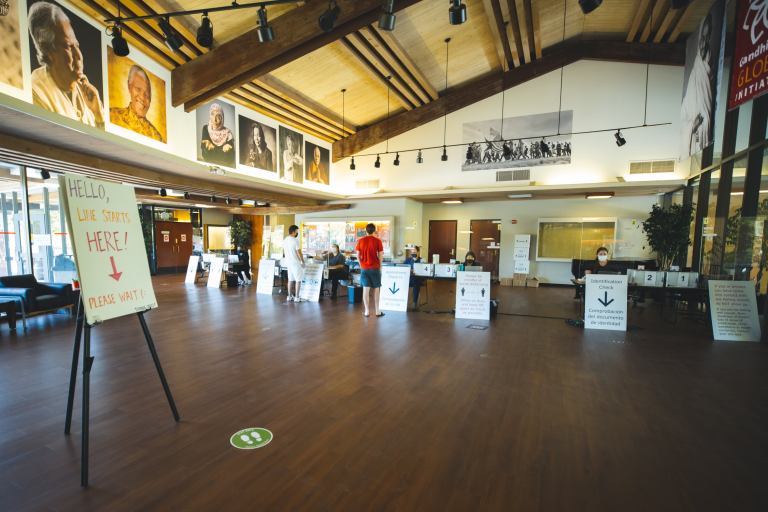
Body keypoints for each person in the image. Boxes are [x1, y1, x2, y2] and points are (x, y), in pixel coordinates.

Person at [28, 1, 105, 128]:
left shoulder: (83, 87)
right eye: (69, 47)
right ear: (47, 50)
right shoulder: (37, 92)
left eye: (77, 45)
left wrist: (98, 114)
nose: (79, 56)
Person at [680, 12, 714, 157]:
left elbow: (707, 100)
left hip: (704, 125)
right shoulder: (696, 70)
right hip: (695, 126)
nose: (703, 43)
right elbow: (685, 111)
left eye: (706, 38)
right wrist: (692, 126)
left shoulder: (708, 70)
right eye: (702, 38)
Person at [110, 65, 164, 142]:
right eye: (138, 89)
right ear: (129, 87)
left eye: (147, 94)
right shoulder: (112, 115)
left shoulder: (155, 137)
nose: (142, 97)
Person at [355, 223, 384, 317]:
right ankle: (377, 311)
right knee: (376, 289)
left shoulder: (360, 241)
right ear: (374, 230)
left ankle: (367, 311)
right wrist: (380, 266)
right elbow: (380, 255)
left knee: (365, 289)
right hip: (375, 268)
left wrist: (361, 265)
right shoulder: (378, 241)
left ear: (366, 230)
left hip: (364, 268)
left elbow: (357, 255)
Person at [283, 225, 305, 302]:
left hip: (288, 263)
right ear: (293, 231)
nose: (297, 233)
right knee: (298, 280)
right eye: (297, 231)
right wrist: (302, 261)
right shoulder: (295, 240)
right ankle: (297, 297)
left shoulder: (285, 240)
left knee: (290, 279)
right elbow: (299, 252)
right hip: (295, 263)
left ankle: (289, 296)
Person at [404, 246, 424, 310]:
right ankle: (401, 302)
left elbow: (424, 271)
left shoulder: (422, 260)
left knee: (416, 281)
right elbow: (403, 267)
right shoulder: (408, 260)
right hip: (408, 278)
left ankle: (414, 303)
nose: (413, 253)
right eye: (412, 252)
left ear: (418, 252)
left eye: (414, 252)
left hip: (418, 279)